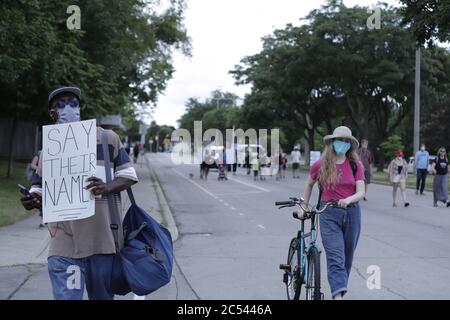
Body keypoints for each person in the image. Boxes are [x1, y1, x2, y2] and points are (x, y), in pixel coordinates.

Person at [20, 86, 138, 300]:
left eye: (73, 103)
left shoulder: (107, 138)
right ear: (52, 114)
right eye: (61, 105)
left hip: (101, 240)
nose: (69, 109)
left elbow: (128, 175)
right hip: (63, 242)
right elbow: (37, 190)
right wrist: (32, 200)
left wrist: (106, 186)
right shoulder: (48, 151)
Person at [302, 126, 365, 300]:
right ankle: (338, 297)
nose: (342, 144)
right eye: (340, 140)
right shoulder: (320, 165)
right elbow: (309, 184)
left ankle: (338, 290)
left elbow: (361, 192)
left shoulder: (355, 165)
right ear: (332, 142)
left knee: (346, 259)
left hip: (352, 214)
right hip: (328, 213)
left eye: (346, 141)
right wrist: (304, 206)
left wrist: (349, 199)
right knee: (335, 257)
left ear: (350, 145)